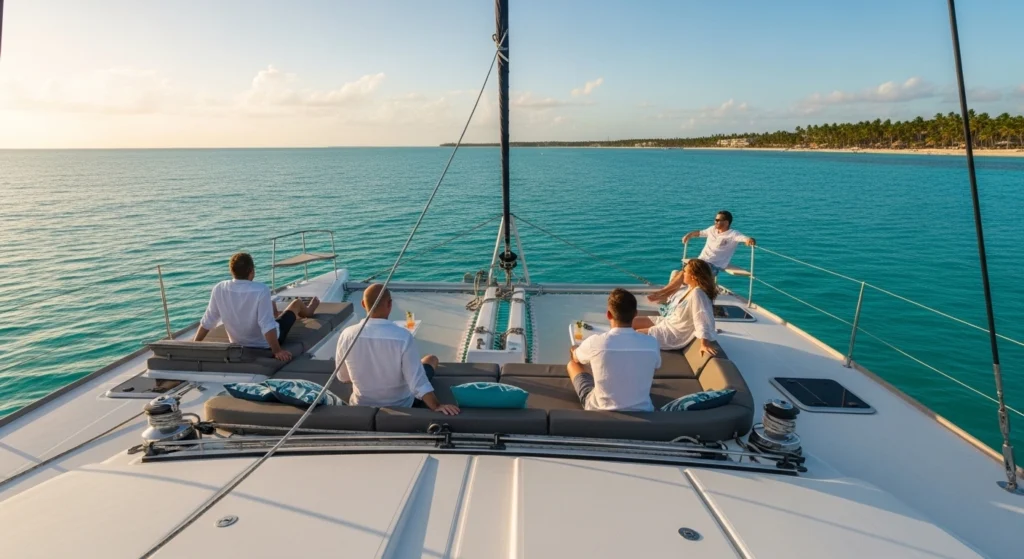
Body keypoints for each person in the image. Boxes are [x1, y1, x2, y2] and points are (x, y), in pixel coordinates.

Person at [335, 283, 459, 415]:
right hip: (401, 404)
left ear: (363, 304)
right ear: (389, 304)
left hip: (361, 404)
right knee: (431, 359)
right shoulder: (403, 337)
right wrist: (437, 406)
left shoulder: (347, 335)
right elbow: (417, 383)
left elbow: (343, 377)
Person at [194, 252, 320, 362]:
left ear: (232, 271)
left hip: (238, 343)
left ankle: (276, 313)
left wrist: (195, 345)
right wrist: (277, 351)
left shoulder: (219, 288)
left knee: (270, 306)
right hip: (265, 344)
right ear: (251, 271)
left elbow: (208, 321)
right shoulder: (261, 290)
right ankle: (309, 310)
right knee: (296, 304)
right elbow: (266, 325)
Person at [567, 288, 661, 411]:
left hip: (599, 409)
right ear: (635, 314)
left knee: (573, 364)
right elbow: (657, 365)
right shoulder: (651, 343)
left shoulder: (595, 342)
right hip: (643, 409)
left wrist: (574, 349)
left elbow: (576, 358)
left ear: (609, 314)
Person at [633, 258, 720, 355]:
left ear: (693, 277)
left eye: (685, 271)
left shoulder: (698, 293)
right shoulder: (690, 288)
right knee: (629, 321)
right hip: (667, 322)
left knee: (633, 335)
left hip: (674, 334)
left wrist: (704, 343)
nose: (683, 273)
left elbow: (701, 319)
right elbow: (676, 283)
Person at [681, 210, 756, 276]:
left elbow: (744, 238)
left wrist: (749, 240)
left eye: (717, 220)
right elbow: (700, 233)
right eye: (715, 219)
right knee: (678, 273)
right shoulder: (712, 229)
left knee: (691, 274)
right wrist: (689, 235)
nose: (715, 222)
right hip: (701, 261)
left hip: (714, 265)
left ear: (726, 222)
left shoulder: (733, 234)